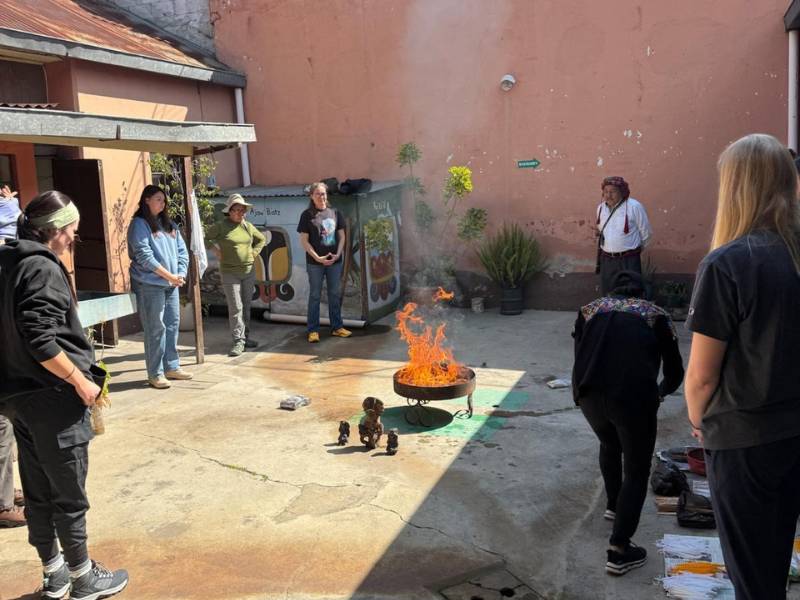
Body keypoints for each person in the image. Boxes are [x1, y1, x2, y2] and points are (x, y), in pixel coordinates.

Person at [685, 133, 800, 600]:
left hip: (744, 443)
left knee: (755, 579)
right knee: (774, 561)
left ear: (735, 187)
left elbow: (701, 375)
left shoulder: (727, 264)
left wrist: (698, 421)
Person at [0, 191, 128, 598]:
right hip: (54, 399)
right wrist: (80, 379)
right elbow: (41, 338)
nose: (75, 236)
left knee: (38, 492)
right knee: (68, 493)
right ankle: (82, 577)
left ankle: (53, 574)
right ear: (55, 230)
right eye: (72, 228)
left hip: (21, 398)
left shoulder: (10, 263)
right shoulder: (40, 268)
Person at [572, 270, 684, 576]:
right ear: (642, 293)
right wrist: (660, 393)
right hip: (633, 399)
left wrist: (580, 393)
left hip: (589, 394)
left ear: (612, 292)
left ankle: (613, 505)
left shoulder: (589, 310)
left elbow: (579, 355)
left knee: (609, 443)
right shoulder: (655, 315)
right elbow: (675, 372)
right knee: (636, 468)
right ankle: (619, 550)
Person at [128, 184, 193, 389]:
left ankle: (171, 367)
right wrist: (169, 276)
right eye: (158, 199)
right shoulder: (139, 224)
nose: (162, 203)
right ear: (146, 200)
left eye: (163, 200)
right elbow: (144, 256)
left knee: (172, 325)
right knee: (155, 328)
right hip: (149, 284)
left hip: (171, 283)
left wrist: (180, 274)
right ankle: (155, 373)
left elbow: (182, 252)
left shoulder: (170, 225)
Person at [205, 193, 266, 356]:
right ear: (229, 211)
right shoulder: (221, 226)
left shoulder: (248, 226)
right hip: (230, 273)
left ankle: (245, 337)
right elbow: (205, 238)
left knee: (246, 306)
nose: (241, 213)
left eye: (243, 210)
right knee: (236, 307)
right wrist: (216, 250)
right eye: (237, 210)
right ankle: (238, 341)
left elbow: (261, 240)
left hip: (248, 272)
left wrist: (254, 252)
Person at [297, 182, 351, 343]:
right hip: (315, 264)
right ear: (312, 196)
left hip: (335, 262)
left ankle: (337, 327)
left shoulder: (335, 212)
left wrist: (338, 254)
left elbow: (342, 237)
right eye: (318, 194)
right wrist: (317, 257)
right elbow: (304, 241)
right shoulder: (307, 215)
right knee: (315, 295)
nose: (322, 197)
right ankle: (313, 330)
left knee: (334, 294)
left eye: (324, 194)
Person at [595, 176, 652, 295]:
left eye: (613, 191)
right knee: (609, 292)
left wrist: (635, 249)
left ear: (622, 192)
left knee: (630, 292)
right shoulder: (601, 208)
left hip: (629, 259)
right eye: (605, 192)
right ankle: (611, 314)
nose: (608, 195)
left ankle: (629, 314)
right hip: (607, 260)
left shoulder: (634, 206)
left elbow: (646, 233)